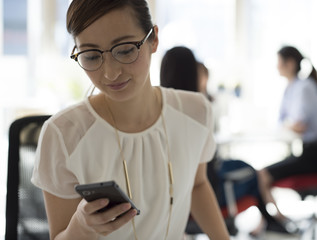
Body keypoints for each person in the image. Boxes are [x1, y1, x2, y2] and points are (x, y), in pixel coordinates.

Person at [31, 1, 230, 240]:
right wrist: (82, 227)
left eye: (125, 50)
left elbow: (197, 185)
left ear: (153, 39)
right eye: (92, 56)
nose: (110, 73)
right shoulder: (63, 134)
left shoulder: (195, 112)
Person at [160, 46, 282, 237]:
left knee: (247, 168)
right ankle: (271, 221)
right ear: (193, 72)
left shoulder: (155, 109)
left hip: (170, 202)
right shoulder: (197, 108)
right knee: (254, 173)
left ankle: (271, 220)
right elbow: (201, 178)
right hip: (208, 192)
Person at [257, 46, 317, 230]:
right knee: (261, 173)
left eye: (279, 62)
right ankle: (275, 221)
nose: (276, 67)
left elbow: (298, 125)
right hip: (309, 151)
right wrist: (287, 124)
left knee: (262, 174)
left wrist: (288, 124)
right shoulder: (291, 88)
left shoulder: (304, 87)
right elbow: (283, 122)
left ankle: (275, 223)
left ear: (290, 63)